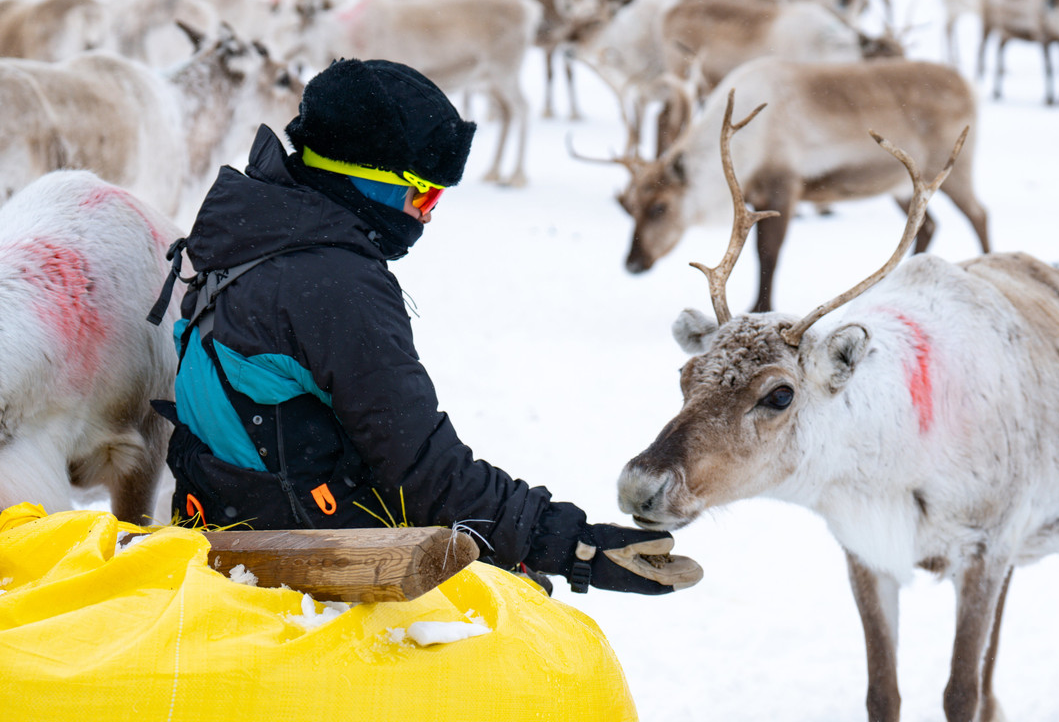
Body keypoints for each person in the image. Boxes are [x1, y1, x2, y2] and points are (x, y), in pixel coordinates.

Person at [149, 58, 702, 596]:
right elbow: (426, 473)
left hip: (226, 526)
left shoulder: (245, 232)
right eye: (424, 192)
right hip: (308, 559)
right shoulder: (334, 287)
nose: (429, 214)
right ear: (369, 180)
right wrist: (576, 546)